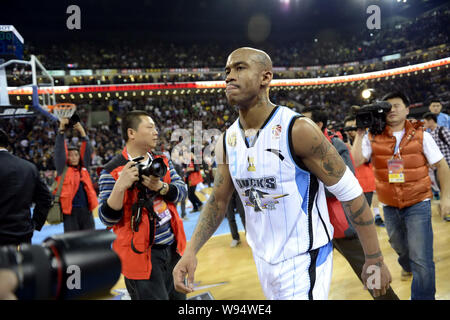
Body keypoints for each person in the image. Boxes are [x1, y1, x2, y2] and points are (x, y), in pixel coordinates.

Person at [173, 47, 392, 300]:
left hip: (304, 257)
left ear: (266, 77)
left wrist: (374, 258)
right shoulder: (226, 140)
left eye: (240, 68)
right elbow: (218, 200)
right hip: (264, 258)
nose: (229, 76)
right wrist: (190, 251)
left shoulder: (298, 130)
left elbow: (352, 193)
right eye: (227, 71)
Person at [352, 92, 450, 300]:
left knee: (421, 258)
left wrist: (446, 198)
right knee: (398, 245)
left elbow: (441, 166)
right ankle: (406, 264)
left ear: (407, 109)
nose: (393, 110)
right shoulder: (372, 135)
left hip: (418, 202)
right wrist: (360, 133)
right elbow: (357, 161)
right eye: (389, 106)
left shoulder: (421, 134)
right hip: (389, 204)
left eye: (397, 105)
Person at [306, 110, 399, 300]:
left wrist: (313, 191)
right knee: (305, 284)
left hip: (341, 225)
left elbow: (348, 183)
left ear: (319, 125)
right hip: (313, 228)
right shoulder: (300, 150)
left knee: (374, 279)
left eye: (306, 121)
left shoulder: (335, 145)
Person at [98, 110, 188, 300]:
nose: (156, 132)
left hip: (172, 249)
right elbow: (107, 218)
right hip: (140, 256)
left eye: (155, 127)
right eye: (150, 127)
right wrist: (120, 187)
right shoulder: (111, 170)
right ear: (131, 133)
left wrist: (161, 187)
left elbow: (181, 191)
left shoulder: (161, 160)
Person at [0, 129, 52, 245]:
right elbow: (46, 198)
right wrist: (35, 224)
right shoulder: (28, 167)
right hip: (22, 235)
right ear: (7, 145)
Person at [55, 118, 98, 233]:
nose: (73, 157)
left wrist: (82, 132)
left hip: (86, 211)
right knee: (72, 244)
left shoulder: (84, 169)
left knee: (89, 242)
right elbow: (59, 150)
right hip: (70, 212)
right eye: (70, 155)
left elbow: (87, 151)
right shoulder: (63, 169)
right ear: (66, 157)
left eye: (76, 155)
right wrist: (61, 131)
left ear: (79, 157)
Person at [344, 115, 384, 227]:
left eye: (353, 127)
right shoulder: (342, 142)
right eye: (348, 128)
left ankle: (376, 216)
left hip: (367, 178)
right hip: (352, 181)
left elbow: (360, 159)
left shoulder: (366, 139)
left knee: (366, 209)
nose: (351, 131)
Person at [422, 112, 450, 221]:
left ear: (431, 121)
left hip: (447, 165)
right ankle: (446, 211)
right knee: (442, 189)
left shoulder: (444, 131)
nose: (423, 124)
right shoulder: (429, 134)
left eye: (425, 122)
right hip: (437, 168)